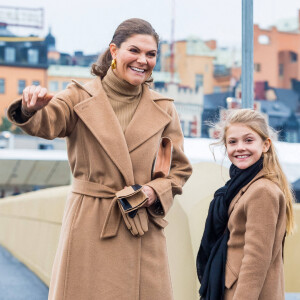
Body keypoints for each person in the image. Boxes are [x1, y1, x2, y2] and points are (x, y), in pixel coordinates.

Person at [7, 18, 192, 300]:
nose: (143, 60)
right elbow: (48, 124)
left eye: (151, 54)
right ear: (114, 51)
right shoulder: (78, 96)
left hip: (141, 224)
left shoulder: (164, 109)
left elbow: (179, 168)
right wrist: (30, 109)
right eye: (135, 51)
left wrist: (154, 192)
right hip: (90, 224)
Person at [196, 109, 294, 300]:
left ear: (265, 145)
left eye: (248, 140)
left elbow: (256, 261)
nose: (240, 147)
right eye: (232, 142)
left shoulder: (262, 191)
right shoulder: (240, 187)